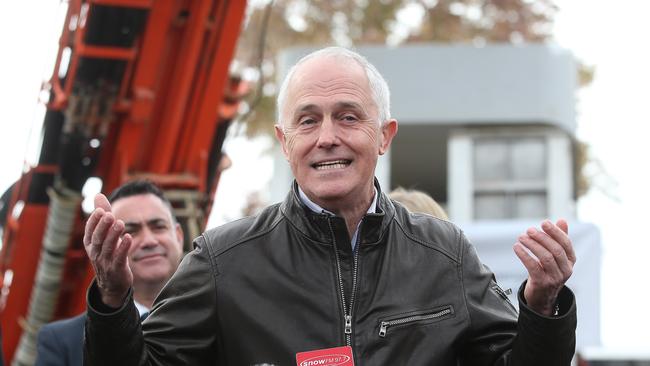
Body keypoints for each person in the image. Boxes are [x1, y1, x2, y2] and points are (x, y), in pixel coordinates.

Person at [83, 47, 577, 365]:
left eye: (347, 117)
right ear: (284, 141)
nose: (327, 138)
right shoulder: (222, 262)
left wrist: (542, 305)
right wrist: (111, 301)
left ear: (384, 136)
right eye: (307, 120)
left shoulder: (444, 254)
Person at [35, 180, 184, 366]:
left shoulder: (215, 316)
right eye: (130, 231)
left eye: (158, 226)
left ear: (178, 236)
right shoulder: (61, 341)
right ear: (106, 243)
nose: (149, 241)